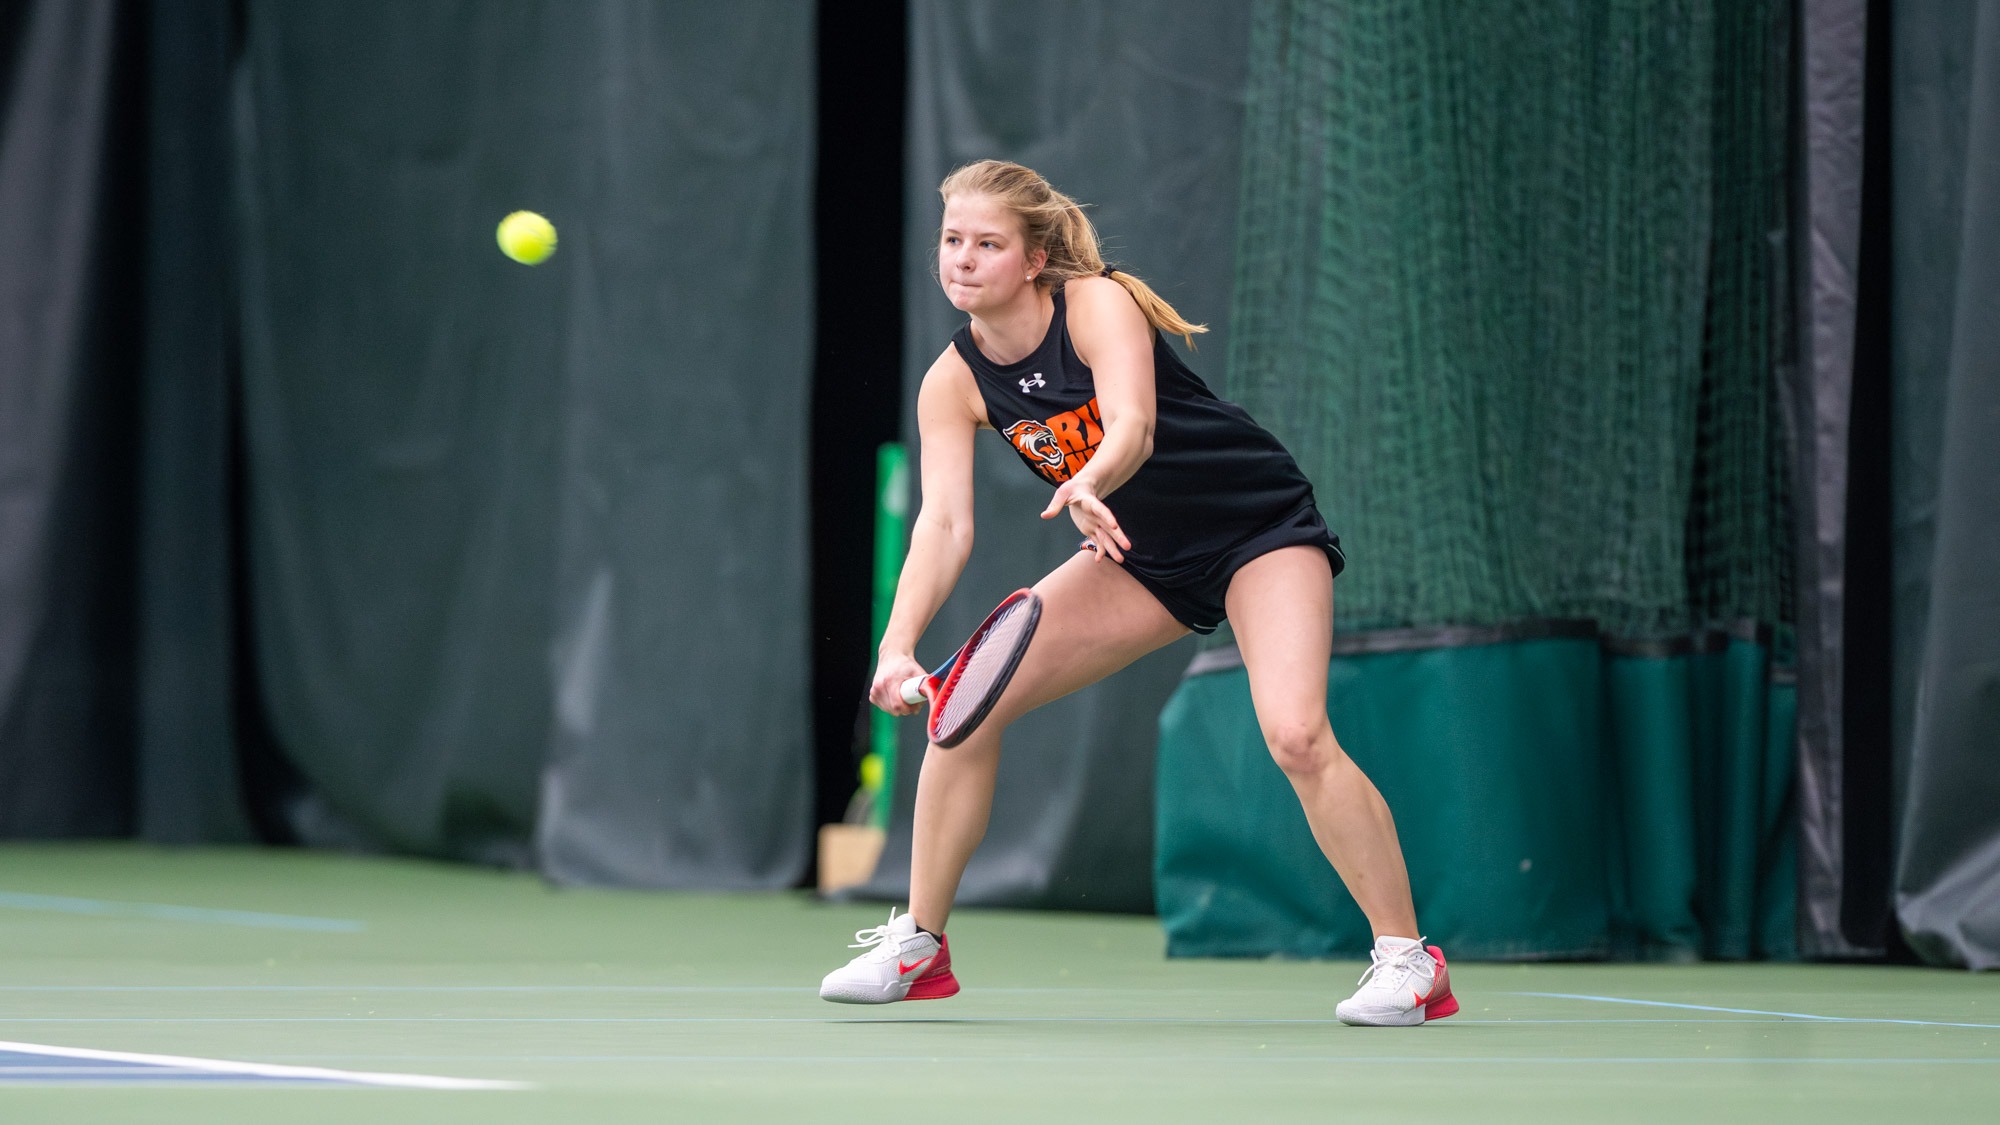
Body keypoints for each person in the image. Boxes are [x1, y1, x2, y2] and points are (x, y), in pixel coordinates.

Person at [817, 160, 1456, 1027]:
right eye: (952, 242)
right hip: (1139, 557)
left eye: (987, 244)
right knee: (963, 703)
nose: (962, 260)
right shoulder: (953, 379)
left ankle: (1409, 961)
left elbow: (1134, 426)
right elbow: (943, 527)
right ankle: (920, 946)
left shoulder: (1095, 303)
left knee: (1297, 734)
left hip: (1254, 530)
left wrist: (1088, 480)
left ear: (1035, 258)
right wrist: (895, 647)